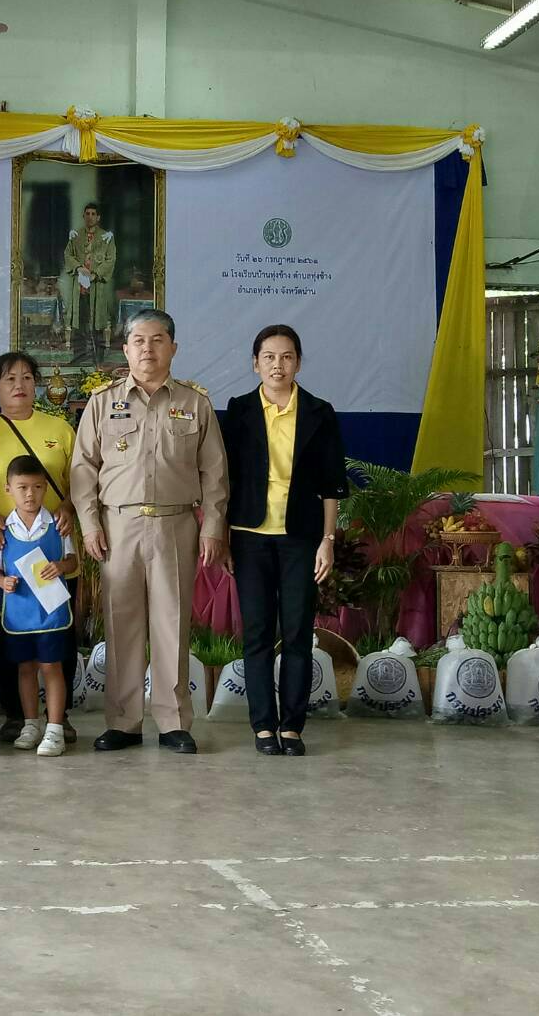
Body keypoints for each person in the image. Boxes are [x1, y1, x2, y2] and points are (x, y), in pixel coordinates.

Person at [70, 309, 228, 755]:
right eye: (138, 341)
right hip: (118, 525)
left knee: (171, 622)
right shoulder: (103, 402)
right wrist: (89, 523)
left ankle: (174, 721)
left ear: (173, 348)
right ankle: (123, 721)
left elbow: (214, 472)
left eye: (157, 340)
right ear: (125, 349)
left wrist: (213, 527)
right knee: (121, 623)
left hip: (177, 522)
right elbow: (83, 468)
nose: (148, 349)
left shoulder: (195, 404)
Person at [222, 325, 348, 758]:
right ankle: (262, 726)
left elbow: (333, 484)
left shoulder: (318, 411)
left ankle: (292, 726)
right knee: (256, 634)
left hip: (301, 538)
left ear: (298, 362)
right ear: (255, 363)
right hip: (249, 538)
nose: (278, 365)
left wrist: (327, 540)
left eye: (287, 356)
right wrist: (221, 538)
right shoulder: (237, 411)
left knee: (297, 632)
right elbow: (224, 482)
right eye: (269, 357)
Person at [0, 350, 79, 746]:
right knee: (10, 637)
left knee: (59, 636)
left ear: (36, 383)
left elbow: (78, 479)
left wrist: (69, 504)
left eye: (26, 377)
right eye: (9, 379)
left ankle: (60, 717)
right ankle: (16, 715)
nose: (19, 385)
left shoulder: (61, 427)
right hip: (6, 549)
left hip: (52, 547)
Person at [0, 456, 77, 758]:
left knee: (52, 667)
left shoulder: (58, 525)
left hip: (51, 612)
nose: (30, 494)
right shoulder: (2, 529)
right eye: (22, 487)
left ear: (45, 489)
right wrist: (3, 584)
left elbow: (73, 561)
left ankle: (54, 728)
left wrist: (60, 566)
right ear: (8, 488)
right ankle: (31, 723)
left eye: (37, 487)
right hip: (20, 613)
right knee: (25, 668)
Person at [59, 202, 116, 354]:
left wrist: (95, 274)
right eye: (87, 214)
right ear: (83, 216)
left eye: (93, 214)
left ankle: (97, 353)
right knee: (80, 316)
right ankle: (79, 352)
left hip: (96, 284)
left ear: (98, 217)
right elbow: (68, 254)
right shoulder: (75, 236)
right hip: (79, 285)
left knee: (97, 316)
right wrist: (78, 267)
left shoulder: (106, 238)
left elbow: (111, 259)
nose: (90, 217)